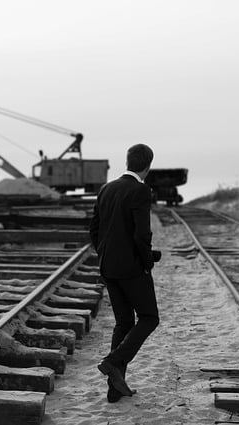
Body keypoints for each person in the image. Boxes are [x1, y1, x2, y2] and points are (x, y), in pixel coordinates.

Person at [89, 143, 161, 403]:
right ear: (148, 166)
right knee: (149, 317)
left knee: (124, 323)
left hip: (108, 267)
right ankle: (112, 361)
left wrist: (105, 254)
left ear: (128, 162)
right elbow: (141, 235)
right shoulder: (141, 190)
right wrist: (147, 262)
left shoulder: (106, 189)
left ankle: (114, 389)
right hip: (131, 268)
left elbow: (94, 229)